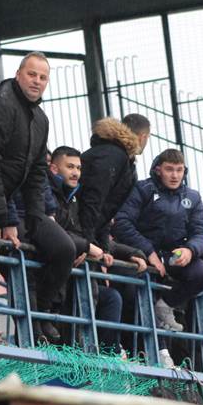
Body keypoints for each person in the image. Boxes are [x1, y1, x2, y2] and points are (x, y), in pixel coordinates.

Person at [0, 52, 76, 344]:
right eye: (32, 74)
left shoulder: (40, 118)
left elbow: (36, 172)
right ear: (19, 74)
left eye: (43, 77)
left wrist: (33, 219)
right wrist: (6, 217)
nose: (37, 81)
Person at [48, 145, 144, 351]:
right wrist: (85, 246)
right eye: (70, 167)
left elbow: (85, 235)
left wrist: (132, 253)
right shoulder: (49, 194)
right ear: (54, 169)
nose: (75, 173)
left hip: (72, 273)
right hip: (56, 276)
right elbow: (55, 230)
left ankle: (107, 354)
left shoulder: (75, 198)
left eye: (78, 168)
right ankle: (77, 351)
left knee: (110, 297)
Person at [112, 148, 203, 332]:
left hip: (171, 256)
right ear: (158, 170)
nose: (175, 175)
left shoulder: (193, 197)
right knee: (133, 291)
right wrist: (148, 251)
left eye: (179, 170)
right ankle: (135, 341)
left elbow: (201, 233)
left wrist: (190, 250)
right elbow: (122, 222)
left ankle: (166, 305)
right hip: (140, 254)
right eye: (169, 169)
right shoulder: (142, 189)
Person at [78, 114, 150, 253]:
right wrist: (89, 242)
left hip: (83, 231)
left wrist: (103, 247)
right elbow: (93, 199)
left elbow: (106, 209)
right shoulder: (114, 155)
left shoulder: (118, 156)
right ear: (143, 137)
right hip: (79, 231)